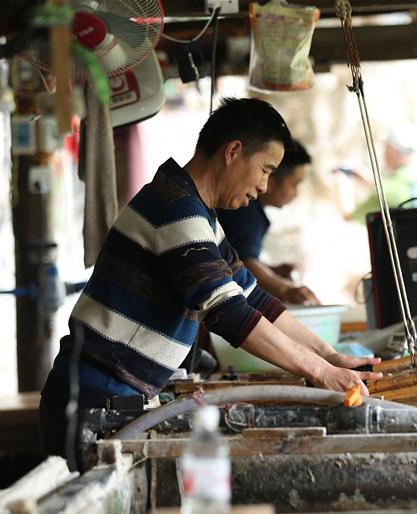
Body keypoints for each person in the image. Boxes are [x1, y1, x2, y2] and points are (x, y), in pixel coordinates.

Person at [39, 98, 380, 459]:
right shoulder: (176, 209)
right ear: (233, 151)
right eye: (265, 169)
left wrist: (329, 356)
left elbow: (252, 297)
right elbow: (227, 312)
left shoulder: (198, 214)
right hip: (93, 396)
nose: (265, 186)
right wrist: (319, 371)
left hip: (110, 392)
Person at [216, 140, 320, 305]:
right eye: (294, 184)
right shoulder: (247, 212)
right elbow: (246, 263)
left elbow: (234, 258)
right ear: (270, 182)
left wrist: (272, 271)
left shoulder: (251, 212)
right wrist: (285, 289)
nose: (296, 193)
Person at [348, 128, 417, 224]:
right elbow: (398, 189)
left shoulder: (384, 193)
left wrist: (342, 184)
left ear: (390, 150)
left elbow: (348, 216)